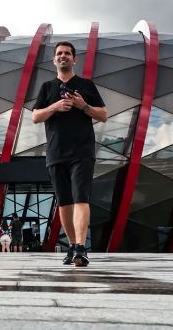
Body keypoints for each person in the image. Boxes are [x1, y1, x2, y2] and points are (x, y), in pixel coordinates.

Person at [32, 41, 107, 267]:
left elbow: (103, 115)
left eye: (67, 53)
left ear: (74, 59)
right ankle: (73, 246)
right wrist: (56, 107)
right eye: (59, 54)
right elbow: (36, 117)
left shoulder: (86, 85)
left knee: (80, 197)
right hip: (56, 151)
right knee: (64, 202)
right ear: (54, 60)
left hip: (82, 150)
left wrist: (83, 106)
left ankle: (81, 248)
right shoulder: (47, 88)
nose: (63, 56)